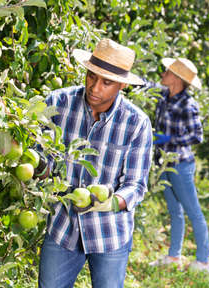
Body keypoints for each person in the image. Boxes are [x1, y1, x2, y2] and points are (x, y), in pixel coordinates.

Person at [38, 38, 153, 288]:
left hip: (110, 233)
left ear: (122, 84)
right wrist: (36, 165)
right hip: (62, 227)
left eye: (106, 82)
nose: (95, 87)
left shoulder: (136, 123)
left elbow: (136, 185)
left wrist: (111, 203)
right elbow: (40, 158)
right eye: (91, 76)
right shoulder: (57, 104)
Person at [145, 58, 209, 273]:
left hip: (180, 165)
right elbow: (145, 85)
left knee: (194, 212)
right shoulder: (164, 95)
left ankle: (203, 261)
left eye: (167, 71)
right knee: (175, 211)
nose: (162, 73)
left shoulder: (188, 104)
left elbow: (197, 136)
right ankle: (174, 256)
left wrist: (169, 139)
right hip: (163, 163)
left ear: (176, 78)